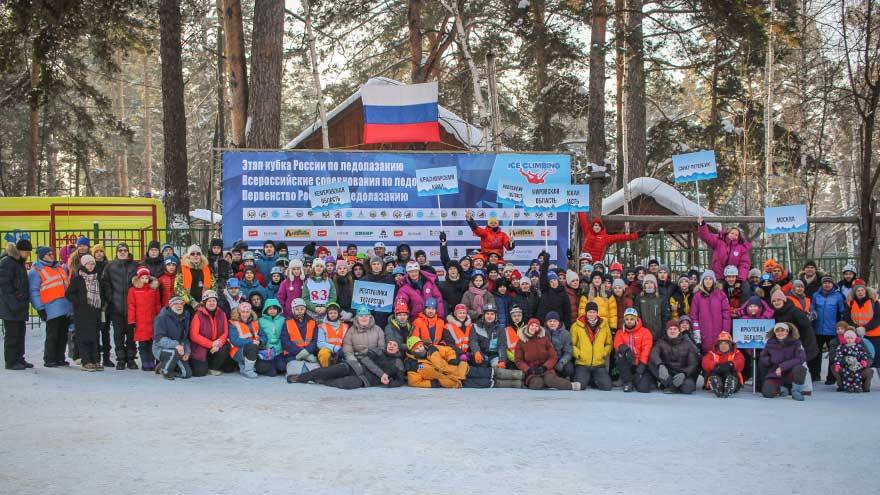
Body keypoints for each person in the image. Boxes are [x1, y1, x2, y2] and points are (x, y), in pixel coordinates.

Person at [291, 339, 406, 389]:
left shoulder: (398, 363)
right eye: (389, 344)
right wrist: (382, 374)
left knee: (346, 384)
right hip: (355, 366)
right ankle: (300, 378)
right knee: (328, 371)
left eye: (394, 345)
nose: (390, 346)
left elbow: (400, 380)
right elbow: (366, 360)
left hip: (366, 379)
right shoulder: (378, 351)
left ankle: (323, 381)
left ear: (398, 349)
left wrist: (389, 382)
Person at [29, 246, 73, 367]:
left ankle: (60, 357)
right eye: (48, 254)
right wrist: (40, 309)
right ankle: (49, 359)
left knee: (63, 335)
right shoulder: (36, 270)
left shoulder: (59, 267)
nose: (51, 255)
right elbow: (33, 292)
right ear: (42, 256)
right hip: (50, 308)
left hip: (64, 308)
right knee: (52, 335)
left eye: (52, 253)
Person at [514, 318, 580, 390]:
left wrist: (545, 367)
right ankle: (552, 382)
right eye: (532, 325)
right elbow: (518, 360)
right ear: (528, 327)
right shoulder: (521, 342)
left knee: (549, 380)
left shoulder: (544, 339)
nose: (534, 328)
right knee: (536, 384)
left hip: (545, 369)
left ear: (539, 328)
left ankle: (571, 386)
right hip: (531, 372)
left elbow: (553, 356)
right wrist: (528, 369)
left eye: (536, 326)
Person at [65, 254, 103, 371]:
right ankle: (86, 361)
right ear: (83, 265)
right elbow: (68, 294)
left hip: (95, 311)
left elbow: (104, 292)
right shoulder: (78, 278)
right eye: (88, 264)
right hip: (81, 312)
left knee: (95, 336)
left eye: (92, 264)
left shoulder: (98, 277)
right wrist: (79, 302)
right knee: (83, 337)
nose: (90, 266)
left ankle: (95, 360)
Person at [770, 289, 819, 380]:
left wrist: (800, 343)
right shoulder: (775, 313)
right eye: (774, 301)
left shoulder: (795, 311)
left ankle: (803, 383)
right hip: (786, 342)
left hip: (802, 341)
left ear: (783, 300)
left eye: (779, 300)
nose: (776, 303)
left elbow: (806, 327)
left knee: (800, 363)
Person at [189, 290, 233, 377]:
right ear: (205, 302)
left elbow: (225, 332)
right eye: (209, 301)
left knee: (226, 350)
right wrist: (211, 344)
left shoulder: (222, 314)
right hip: (202, 346)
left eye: (214, 300)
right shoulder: (198, 315)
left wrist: (219, 343)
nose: (212, 303)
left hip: (216, 345)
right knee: (199, 372)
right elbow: (194, 335)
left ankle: (212, 367)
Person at [570, 301, 613, 391]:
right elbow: (571, 344)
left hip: (598, 364)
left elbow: (609, 343)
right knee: (580, 386)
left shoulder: (604, 325)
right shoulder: (576, 326)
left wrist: (604, 353)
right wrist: (579, 354)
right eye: (589, 312)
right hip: (583, 363)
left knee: (607, 387)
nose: (591, 314)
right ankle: (588, 378)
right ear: (586, 312)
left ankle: (592, 379)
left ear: (597, 313)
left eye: (594, 312)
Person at [649, 319, 699, 394]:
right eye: (670, 329)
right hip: (667, 372)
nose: (672, 331)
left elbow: (693, 363)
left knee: (688, 388)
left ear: (679, 331)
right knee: (651, 363)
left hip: (681, 373)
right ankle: (671, 385)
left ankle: (670, 387)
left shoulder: (687, 344)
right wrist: (660, 365)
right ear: (666, 331)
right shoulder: (661, 342)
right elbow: (654, 353)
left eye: (675, 329)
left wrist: (684, 373)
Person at [760, 322, 807, 401]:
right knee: (767, 393)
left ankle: (796, 391)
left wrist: (782, 367)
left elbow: (801, 358)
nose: (780, 333)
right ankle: (782, 389)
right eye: (777, 331)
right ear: (775, 333)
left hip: (790, 371)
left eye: (783, 330)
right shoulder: (770, 343)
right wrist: (770, 360)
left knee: (800, 369)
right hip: (775, 373)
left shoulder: (796, 343)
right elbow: (763, 357)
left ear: (787, 332)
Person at [812, 275, 846, 384]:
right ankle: (815, 375)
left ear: (833, 284)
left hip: (832, 330)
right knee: (816, 354)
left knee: (833, 355)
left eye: (829, 283)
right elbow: (812, 309)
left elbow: (842, 312)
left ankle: (831, 377)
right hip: (818, 330)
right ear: (822, 284)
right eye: (825, 282)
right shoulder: (816, 296)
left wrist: (840, 327)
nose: (827, 284)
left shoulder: (838, 296)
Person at [126, 267, 161, 371]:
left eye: (146, 278)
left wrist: (159, 318)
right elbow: (131, 306)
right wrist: (132, 321)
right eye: (142, 278)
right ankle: (145, 362)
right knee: (142, 344)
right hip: (140, 322)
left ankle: (151, 361)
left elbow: (157, 305)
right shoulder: (133, 290)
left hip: (152, 321)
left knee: (152, 343)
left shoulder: (154, 290)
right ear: (138, 279)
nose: (145, 280)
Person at [696, 217, 752, 281]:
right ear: (728, 233)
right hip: (718, 277)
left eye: (736, 235)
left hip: (733, 278)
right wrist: (702, 225)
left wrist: (740, 278)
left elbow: (744, 264)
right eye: (732, 233)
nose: (733, 235)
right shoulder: (719, 241)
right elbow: (706, 236)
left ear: (738, 237)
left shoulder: (742, 248)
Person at [690, 269, 731, 354]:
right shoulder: (697, 296)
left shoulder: (721, 295)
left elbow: (726, 314)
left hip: (719, 332)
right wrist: (696, 330)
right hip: (704, 332)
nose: (708, 281)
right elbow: (694, 316)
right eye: (706, 279)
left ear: (714, 281)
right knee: (706, 356)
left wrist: (725, 331)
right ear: (702, 281)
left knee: (719, 354)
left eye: (710, 279)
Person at [613, 307, 654, 392]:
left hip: (640, 362)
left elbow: (646, 349)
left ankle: (635, 378)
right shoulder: (620, 332)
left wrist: (642, 364)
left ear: (636, 319)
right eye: (627, 319)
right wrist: (626, 349)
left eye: (632, 319)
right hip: (627, 361)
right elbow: (617, 344)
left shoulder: (645, 332)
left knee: (644, 389)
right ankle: (627, 382)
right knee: (619, 355)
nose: (629, 321)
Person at [152, 296, 193, 380]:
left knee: (187, 374)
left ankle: (162, 367)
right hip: (160, 349)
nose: (179, 306)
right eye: (176, 304)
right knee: (173, 352)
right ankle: (166, 371)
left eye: (181, 304)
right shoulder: (161, 318)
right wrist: (176, 345)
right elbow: (159, 339)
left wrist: (187, 352)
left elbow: (185, 338)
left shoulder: (185, 317)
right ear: (170, 305)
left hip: (178, 350)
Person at [227, 301, 267, 378]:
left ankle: (243, 366)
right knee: (252, 347)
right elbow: (234, 340)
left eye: (247, 312)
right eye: (243, 312)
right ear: (239, 312)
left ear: (250, 312)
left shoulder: (255, 322)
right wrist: (251, 342)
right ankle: (248, 370)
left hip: (254, 349)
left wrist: (260, 341)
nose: (245, 314)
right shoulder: (233, 323)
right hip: (237, 351)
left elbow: (263, 336)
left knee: (265, 368)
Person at [701, 331, 746, 398]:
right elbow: (705, 362)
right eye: (721, 343)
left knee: (732, 375)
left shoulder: (736, 353)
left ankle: (731, 384)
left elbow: (741, 362)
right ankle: (716, 385)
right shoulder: (712, 353)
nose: (723, 345)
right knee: (713, 374)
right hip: (717, 373)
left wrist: (731, 364)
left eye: (726, 343)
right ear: (718, 345)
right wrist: (715, 366)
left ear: (730, 344)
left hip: (730, 374)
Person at [844, 279, 880, 361]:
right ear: (854, 292)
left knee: (876, 360)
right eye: (857, 290)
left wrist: (864, 328)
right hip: (857, 335)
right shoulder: (850, 303)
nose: (860, 292)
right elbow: (847, 318)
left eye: (862, 290)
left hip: (874, 335)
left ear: (865, 290)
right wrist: (856, 327)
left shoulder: (874, 302)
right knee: (861, 360)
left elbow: (877, 319)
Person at [282, 298, 319, 378]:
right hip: (293, 354)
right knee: (295, 372)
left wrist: (307, 351)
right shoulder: (287, 322)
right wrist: (300, 352)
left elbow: (315, 340)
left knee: (316, 371)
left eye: (302, 309)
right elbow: (285, 341)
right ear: (293, 310)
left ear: (305, 309)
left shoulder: (312, 322)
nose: (300, 311)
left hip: (309, 353)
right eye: (297, 309)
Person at [175, 244, 215, 311]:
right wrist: (191, 302)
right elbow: (178, 288)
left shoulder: (207, 269)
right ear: (189, 256)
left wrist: (206, 300)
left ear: (201, 256)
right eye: (192, 254)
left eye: (198, 253)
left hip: (204, 305)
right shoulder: (182, 269)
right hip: (187, 306)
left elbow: (214, 286)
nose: (195, 255)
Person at [633, 274, 669, 340]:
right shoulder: (639, 298)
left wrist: (663, 333)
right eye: (647, 283)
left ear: (655, 285)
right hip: (643, 335)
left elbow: (665, 317)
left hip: (658, 335)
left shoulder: (661, 298)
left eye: (651, 283)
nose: (649, 285)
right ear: (644, 285)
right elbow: (637, 317)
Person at [257, 298, 286, 376]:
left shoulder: (283, 320)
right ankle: (266, 366)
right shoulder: (260, 321)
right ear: (266, 310)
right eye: (270, 309)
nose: (272, 310)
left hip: (279, 349)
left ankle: (276, 365)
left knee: (282, 367)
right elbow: (259, 334)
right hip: (267, 350)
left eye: (274, 308)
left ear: (278, 309)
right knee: (272, 373)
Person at [317, 302, 349, 368]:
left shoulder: (345, 326)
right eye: (331, 313)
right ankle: (325, 370)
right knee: (323, 353)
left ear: (338, 314)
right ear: (327, 314)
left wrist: (343, 349)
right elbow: (320, 343)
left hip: (341, 352)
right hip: (329, 350)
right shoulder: (322, 326)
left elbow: (348, 341)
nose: (333, 315)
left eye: (335, 313)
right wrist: (335, 348)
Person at [544, 311, 574, 378]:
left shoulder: (566, 334)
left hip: (560, 359)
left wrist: (562, 362)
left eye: (555, 321)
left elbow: (568, 352)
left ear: (558, 322)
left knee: (569, 369)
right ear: (546, 322)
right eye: (550, 321)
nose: (552, 323)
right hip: (548, 359)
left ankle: (563, 377)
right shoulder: (542, 332)